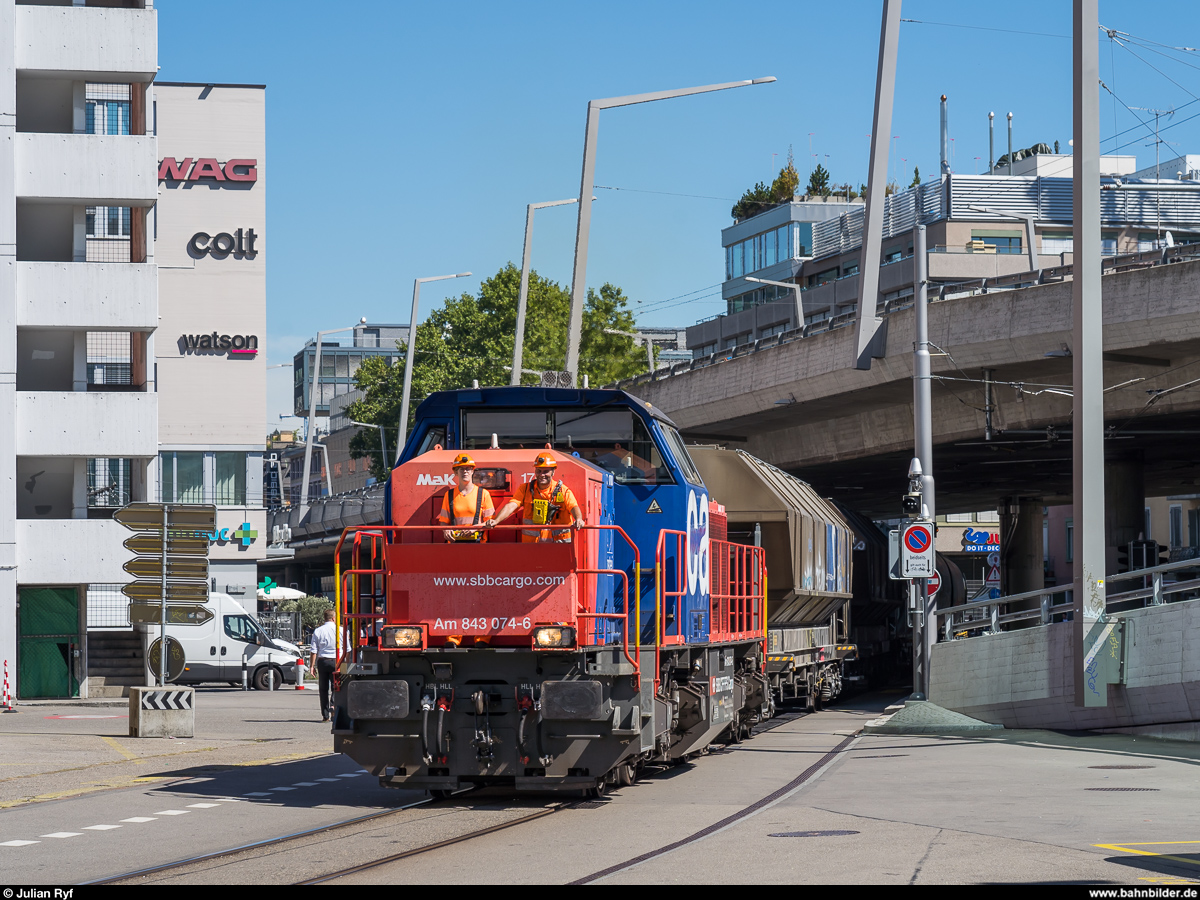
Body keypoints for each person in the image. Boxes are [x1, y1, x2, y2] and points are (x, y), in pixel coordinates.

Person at [488, 452, 583, 542]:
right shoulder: (525, 489)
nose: (542, 475)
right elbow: (511, 505)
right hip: (532, 547)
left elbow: (573, 507)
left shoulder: (563, 490)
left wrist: (578, 519)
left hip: (559, 547)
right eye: (539, 471)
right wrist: (496, 521)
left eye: (546, 471)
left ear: (553, 472)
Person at [436, 453, 495, 543]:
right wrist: (445, 530)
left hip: (477, 544)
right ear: (456, 472)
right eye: (461, 469)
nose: (465, 472)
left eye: (468, 469)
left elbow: (490, 522)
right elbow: (444, 521)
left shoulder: (483, 494)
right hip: (454, 544)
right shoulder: (449, 495)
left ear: (472, 471)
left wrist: (475, 529)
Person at [309, 608, 338, 722]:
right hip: (336, 661)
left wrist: (312, 666)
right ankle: (333, 706)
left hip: (322, 661)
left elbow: (313, 650)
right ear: (334, 618)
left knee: (323, 689)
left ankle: (325, 715)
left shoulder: (318, 631)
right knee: (336, 687)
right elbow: (348, 649)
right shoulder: (340, 630)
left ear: (324, 618)